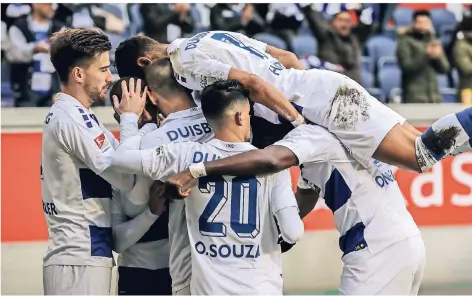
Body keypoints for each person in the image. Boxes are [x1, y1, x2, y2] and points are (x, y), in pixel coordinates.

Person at [114, 31, 472, 175]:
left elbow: (253, 84)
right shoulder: (205, 37)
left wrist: (299, 120)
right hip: (319, 87)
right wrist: (308, 93)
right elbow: (284, 55)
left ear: (145, 64)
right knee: (421, 150)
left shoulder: (184, 64)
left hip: (316, 101)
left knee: (421, 157)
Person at [165, 122, 425, 295]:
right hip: (407, 240)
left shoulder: (311, 135)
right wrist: (276, 232)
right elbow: (304, 198)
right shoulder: (342, 135)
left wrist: (197, 170)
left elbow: (270, 160)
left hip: (375, 247)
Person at [110, 80, 304, 295]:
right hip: (260, 286)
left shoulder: (185, 155)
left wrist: (138, 123)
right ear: (240, 116)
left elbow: (120, 159)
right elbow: (292, 232)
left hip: (207, 288)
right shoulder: (271, 164)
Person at [40, 28, 145, 295]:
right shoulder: (74, 119)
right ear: (78, 74)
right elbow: (125, 177)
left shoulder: (77, 115)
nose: (110, 78)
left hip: (83, 252)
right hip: (80, 253)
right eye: (103, 70)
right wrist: (131, 119)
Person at [110, 60, 214, 295]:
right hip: (139, 274)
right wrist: (151, 213)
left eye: (145, 107)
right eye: (129, 111)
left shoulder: (173, 146)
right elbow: (116, 241)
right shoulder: (119, 158)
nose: (144, 115)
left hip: (186, 268)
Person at [396, 10, 450, 103]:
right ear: (414, 23)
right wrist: (426, 54)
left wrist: (437, 57)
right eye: (420, 22)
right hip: (414, 97)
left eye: (426, 22)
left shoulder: (433, 40)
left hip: (434, 97)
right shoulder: (405, 41)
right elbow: (406, 67)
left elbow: (445, 69)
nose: (423, 26)